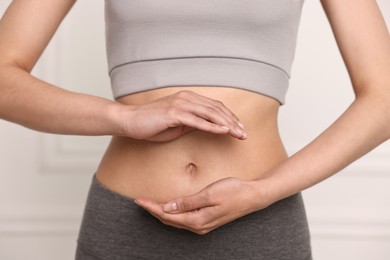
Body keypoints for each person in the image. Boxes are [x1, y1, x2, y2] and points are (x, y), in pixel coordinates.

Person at [0, 0, 389, 259]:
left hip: (260, 223)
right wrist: (123, 118)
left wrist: (262, 192)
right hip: (126, 226)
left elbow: (384, 99)